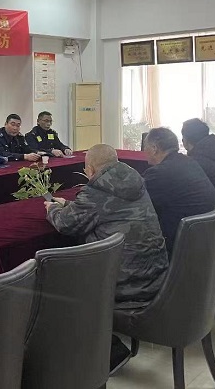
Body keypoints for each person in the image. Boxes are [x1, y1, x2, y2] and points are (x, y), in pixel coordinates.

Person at [45, 144, 168, 375]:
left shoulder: (96, 189)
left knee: (59, 283)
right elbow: (105, 211)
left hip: (126, 284)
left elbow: (66, 224)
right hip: (157, 273)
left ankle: (108, 352)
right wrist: (70, 205)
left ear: (90, 169)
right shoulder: (135, 180)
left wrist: (52, 208)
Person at [142, 127, 215, 252]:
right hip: (207, 242)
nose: (144, 151)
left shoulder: (159, 173)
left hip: (182, 245)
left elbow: (138, 204)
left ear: (154, 148)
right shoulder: (189, 162)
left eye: (145, 147)